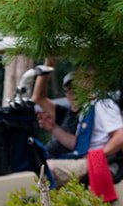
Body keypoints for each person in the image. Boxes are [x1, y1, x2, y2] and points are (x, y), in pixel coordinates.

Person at [31, 61, 123, 189]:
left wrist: (99, 154)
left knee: (48, 168)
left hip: (100, 162)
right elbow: (79, 144)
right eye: (69, 90)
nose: (73, 93)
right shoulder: (87, 108)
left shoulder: (103, 104)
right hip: (84, 159)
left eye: (82, 81)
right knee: (40, 166)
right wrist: (53, 128)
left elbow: (120, 136)